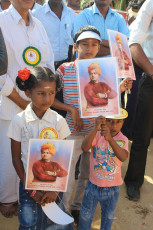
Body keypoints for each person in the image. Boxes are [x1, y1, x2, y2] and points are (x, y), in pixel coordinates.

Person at [52, 25, 132, 225]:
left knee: (88, 174)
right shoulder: (64, 69)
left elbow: (110, 97)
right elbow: (50, 97)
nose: (90, 48)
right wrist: (71, 110)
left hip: (97, 133)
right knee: (68, 175)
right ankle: (64, 210)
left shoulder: (103, 70)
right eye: (85, 44)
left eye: (95, 44)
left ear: (99, 47)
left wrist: (121, 87)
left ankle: (77, 208)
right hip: (72, 131)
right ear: (75, 46)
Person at [0, 0, 54, 218]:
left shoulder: (39, 25)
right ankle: (7, 200)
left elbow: (48, 62)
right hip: (10, 104)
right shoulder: (2, 22)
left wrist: (43, 97)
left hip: (36, 106)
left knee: (30, 154)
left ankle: (29, 194)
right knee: (7, 155)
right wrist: (23, 102)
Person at [7, 66, 72, 229]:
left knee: (52, 223)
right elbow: (16, 157)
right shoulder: (19, 121)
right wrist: (30, 189)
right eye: (41, 93)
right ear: (28, 93)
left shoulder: (59, 122)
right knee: (29, 222)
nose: (47, 99)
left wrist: (55, 190)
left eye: (51, 93)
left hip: (54, 186)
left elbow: (64, 158)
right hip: (28, 187)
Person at [79, 109, 129, 230]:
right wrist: (95, 128)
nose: (113, 125)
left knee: (108, 217)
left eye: (118, 122)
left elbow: (123, 157)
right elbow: (84, 148)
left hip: (112, 188)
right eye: (109, 121)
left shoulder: (123, 139)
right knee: (86, 215)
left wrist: (110, 139)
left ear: (123, 123)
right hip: (93, 185)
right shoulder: (97, 135)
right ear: (103, 121)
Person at [124, 0, 153, 201]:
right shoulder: (150, 4)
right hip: (150, 75)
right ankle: (133, 181)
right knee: (143, 135)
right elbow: (134, 45)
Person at [33, 0, 75, 117]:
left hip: (64, 66)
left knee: (61, 103)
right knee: (44, 103)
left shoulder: (70, 13)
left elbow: (74, 41)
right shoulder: (36, 14)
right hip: (44, 68)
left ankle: (59, 132)